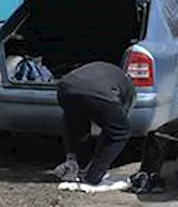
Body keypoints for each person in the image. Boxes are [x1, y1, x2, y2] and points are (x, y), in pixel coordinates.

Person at [51, 61, 137, 193]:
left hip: (65, 87)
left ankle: (75, 164)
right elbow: (113, 130)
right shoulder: (129, 92)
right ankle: (93, 177)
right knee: (120, 132)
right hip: (97, 92)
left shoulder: (112, 75)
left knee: (75, 122)